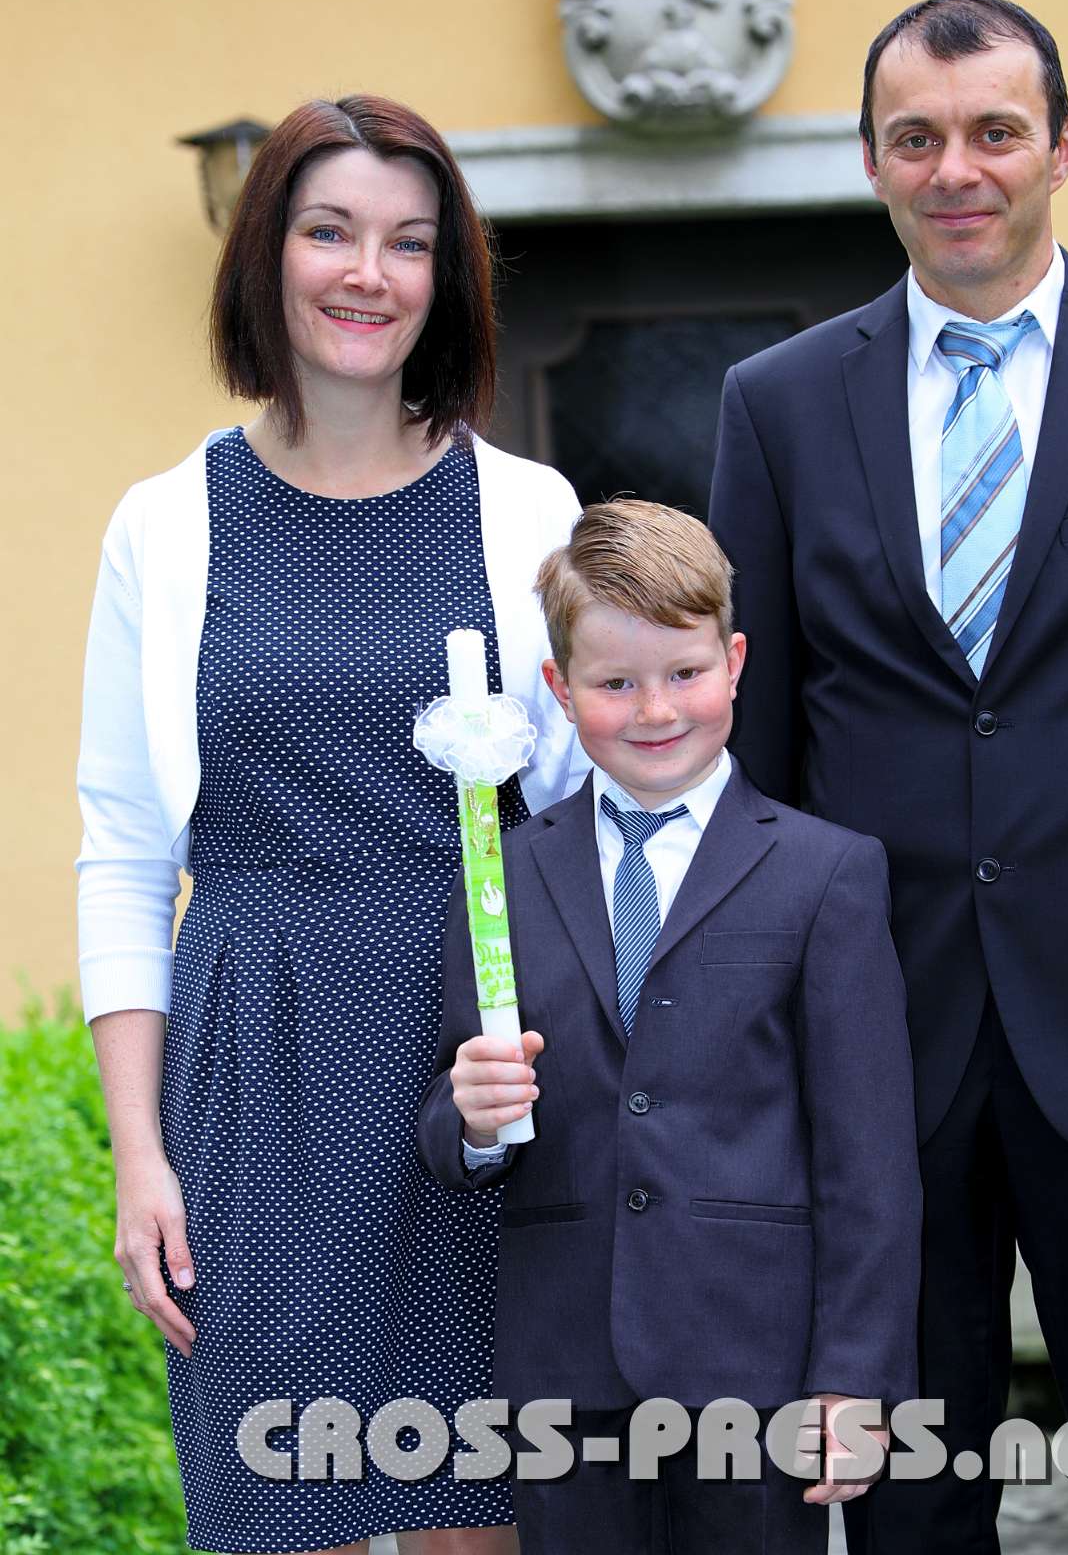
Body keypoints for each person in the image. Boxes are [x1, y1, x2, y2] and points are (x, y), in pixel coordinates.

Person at [708, 0, 1068, 1555]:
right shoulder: (778, 404)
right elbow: (756, 744)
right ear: (870, 161)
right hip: (879, 1032)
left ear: (1063, 146)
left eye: (995, 131)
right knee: (912, 1500)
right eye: (914, 138)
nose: (956, 170)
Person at [76, 95, 589, 1555]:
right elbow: (123, 854)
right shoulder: (166, 525)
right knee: (276, 1511)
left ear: (448, 278)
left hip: (471, 1077)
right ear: (267, 253)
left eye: (410, 243)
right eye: (331, 232)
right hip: (255, 1081)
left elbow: (580, 822)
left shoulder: (529, 512)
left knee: (477, 1516)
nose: (370, 273)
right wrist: (137, 1156)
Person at [415, 500, 922, 1555]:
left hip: (760, 1368)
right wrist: (472, 1119)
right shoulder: (500, 878)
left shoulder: (825, 872)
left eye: (684, 673)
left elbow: (869, 1159)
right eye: (614, 684)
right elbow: (456, 1126)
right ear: (560, 691)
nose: (655, 710)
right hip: (567, 1370)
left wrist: (855, 1376)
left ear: (733, 663)